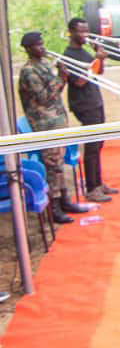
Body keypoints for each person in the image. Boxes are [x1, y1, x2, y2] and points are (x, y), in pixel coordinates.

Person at [17, 31, 88, 224]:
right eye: (38, 45)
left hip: (56, 121)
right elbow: (43, 97)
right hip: (44, 125)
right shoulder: (29, 71)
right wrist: (61, 78)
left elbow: (55, 94)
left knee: (59, 164)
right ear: (29, 49)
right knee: (52, 166)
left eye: (42, 44)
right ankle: (54, 208)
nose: (43, 48)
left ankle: (65, 201)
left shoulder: (44, 65)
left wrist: (61, 78)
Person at [64, 17, 119, 202]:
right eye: (81, 31)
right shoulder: (69, 55)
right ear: (71, 32)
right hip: (84, 104)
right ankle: (91, 188)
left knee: (99, 144)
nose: (85, 35)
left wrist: (99, 57)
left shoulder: (83, 52)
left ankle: (98, 182)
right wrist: (94, 61)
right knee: (92, 146)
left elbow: (98, 72)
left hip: (95, 101)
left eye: (87, 31)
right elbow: (79, 82)